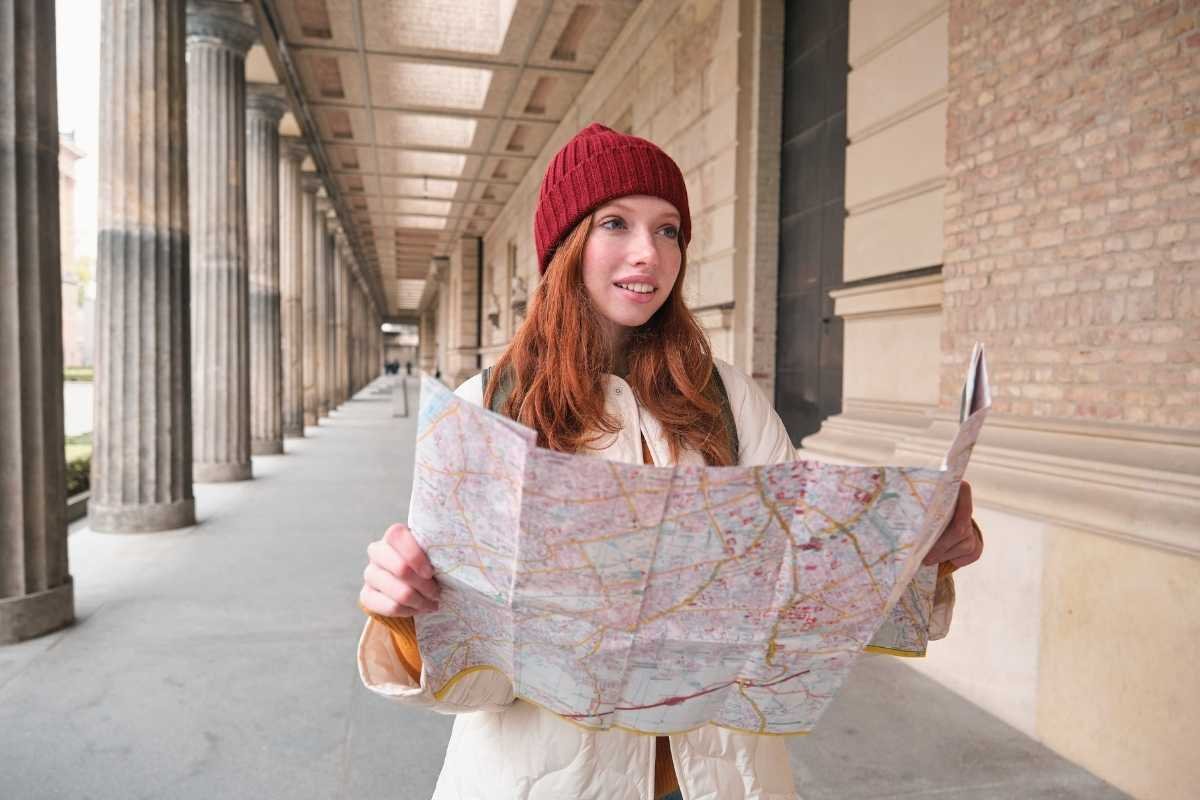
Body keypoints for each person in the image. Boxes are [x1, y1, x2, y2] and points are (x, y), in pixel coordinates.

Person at [357, 123, 984, 800]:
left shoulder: (730, 399)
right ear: (566, 245)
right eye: (615, 223)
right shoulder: (485, 408)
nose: (646, 254)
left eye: (668, 231)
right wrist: (406, 617)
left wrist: (916, 557)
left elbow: (800, 609)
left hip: (720, 779)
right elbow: (475, 682)